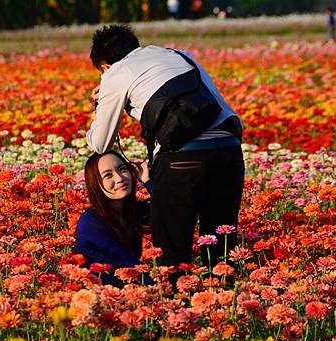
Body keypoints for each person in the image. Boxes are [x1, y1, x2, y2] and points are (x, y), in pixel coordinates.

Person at [86, 24, 245, 275]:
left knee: (171, 248)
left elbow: (100, 143)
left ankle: (178, 307)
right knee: (221, 241)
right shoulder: (179, 55)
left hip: (184, 158)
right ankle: (225, 297)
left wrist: (102, 99)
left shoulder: (115, 74)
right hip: (230, 151)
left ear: (104, 67)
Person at [74, 151, 151, 286]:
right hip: (99, 298)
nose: (119, 178)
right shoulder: (91, 223)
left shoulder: (132, 210)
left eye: (122, 169)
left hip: (128, 291)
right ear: (95, 183)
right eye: (108, 175)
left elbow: (171, 213)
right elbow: (128, 263)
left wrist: (148, 181)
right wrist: (164, 288)